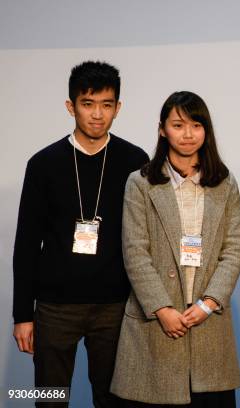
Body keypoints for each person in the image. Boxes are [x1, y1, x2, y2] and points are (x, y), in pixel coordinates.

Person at [12, 61, 148, 407]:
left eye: (106, 104)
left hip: (115, 305)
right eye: (88, 104)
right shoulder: (43, 164)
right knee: (51, 398)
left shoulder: (135, 160)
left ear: (118, 107)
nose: (97, 115)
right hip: (55, 306)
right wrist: (22, 315)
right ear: (71, 106)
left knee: (115, 399)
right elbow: (27, 243)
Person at [110, 91, 240, 407]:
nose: (187, 134)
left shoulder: (224, 182)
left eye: (196, 125)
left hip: (208, 321)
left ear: (206, 131)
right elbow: (135, 251)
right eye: (178, 125)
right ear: (162, 129)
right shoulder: (140, 182)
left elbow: (234, 247)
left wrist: (208, 303)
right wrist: (162, 309)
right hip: (155, 322)